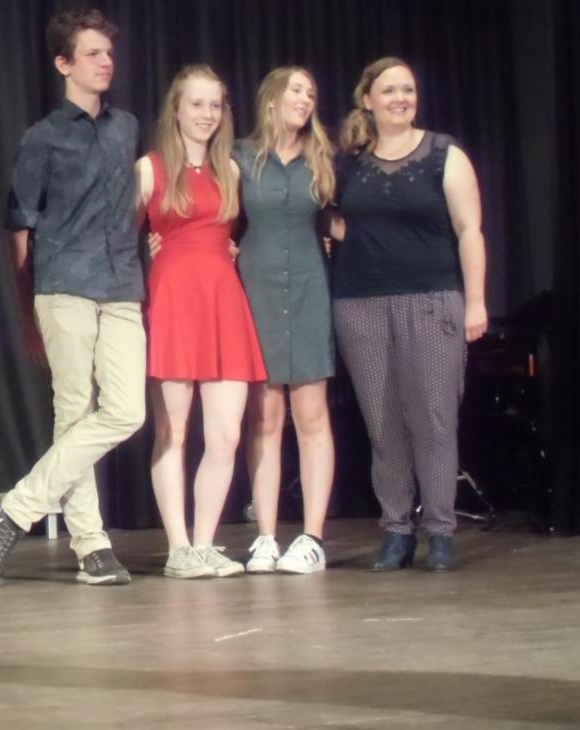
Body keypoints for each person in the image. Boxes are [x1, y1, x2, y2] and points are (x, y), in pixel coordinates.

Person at [0, 8, 145, 587]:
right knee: (73, 411)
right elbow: (18, 227)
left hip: (122, 283)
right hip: (63, 284)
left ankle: (18, 506)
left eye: (108, 53)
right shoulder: (43, 137)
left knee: (126, 410)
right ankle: (92, 548)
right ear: (63, 63)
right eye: (93, 53)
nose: (105, 63)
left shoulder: (125, 127)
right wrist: (27, 310)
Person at [330, 57, 487, 571]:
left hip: (431, 299)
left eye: (408, 89)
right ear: (368, 99)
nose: (401, 97)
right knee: (382, 422)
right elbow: (320, 215)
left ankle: (440, 530)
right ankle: (396, 528)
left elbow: (469, 231)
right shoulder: (347, 160)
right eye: (390, 90)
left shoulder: (444, 154)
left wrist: (477, 300)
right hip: (360, 304)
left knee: (435, 420)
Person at [140, 65, 267, 579]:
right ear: (176, 108)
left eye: (215, 105)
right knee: (173, 430)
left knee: (227, 435)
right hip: (172, 301)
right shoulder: (148, 169)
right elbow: (119, 244)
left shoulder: (231, 171)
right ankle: (178, 548)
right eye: (197, 104)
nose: (207, 115)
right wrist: (150, 261)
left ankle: (205, 542)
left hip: (223, 302)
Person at [231, 67, 336, 574]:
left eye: (311, 92)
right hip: (257, 294)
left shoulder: (323, 159)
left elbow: (341, 218)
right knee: (265, 419)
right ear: (271, 99)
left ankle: (312, 538)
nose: (305, 98)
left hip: (310, 292)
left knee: (311, 418)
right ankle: (267, 536)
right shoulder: (240, 157)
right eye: (296, 89)